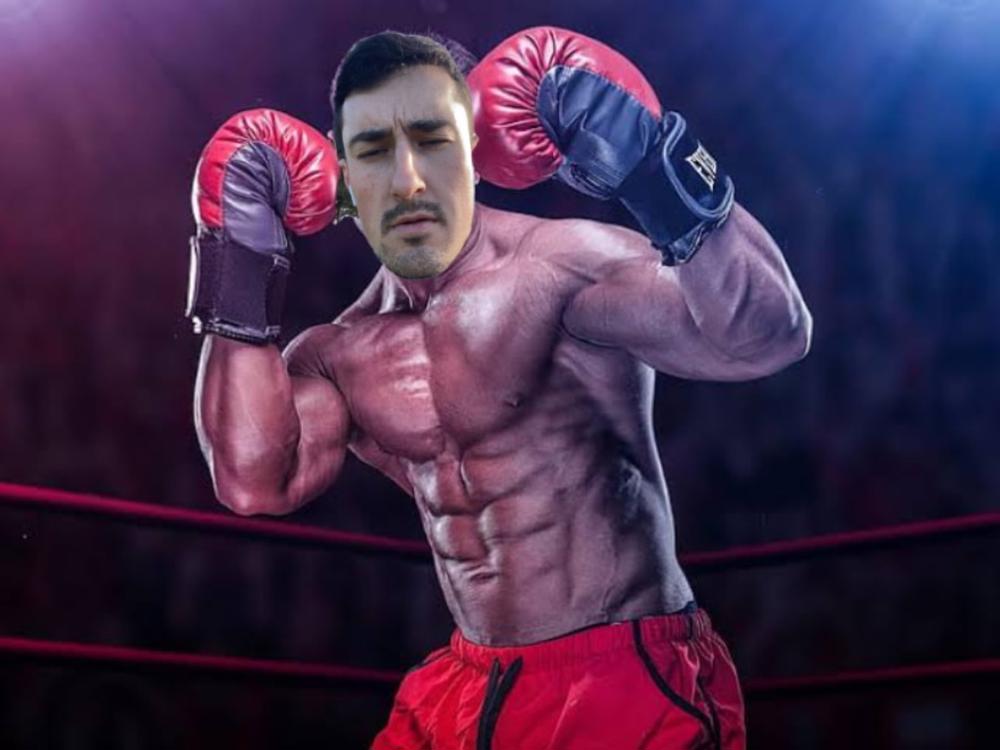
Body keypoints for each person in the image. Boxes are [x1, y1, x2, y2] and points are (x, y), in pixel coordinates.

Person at [187, 27, 811, 750]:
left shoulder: (558, 271)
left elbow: (768, 334)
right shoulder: (339, 352)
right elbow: (253, 480)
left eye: (432, 140)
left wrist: (653, 166)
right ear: (342, 179)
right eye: (375, 151)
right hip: (467, 686)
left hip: (623, 679)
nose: (408, 180)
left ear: (477, 150)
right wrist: (239, 258)